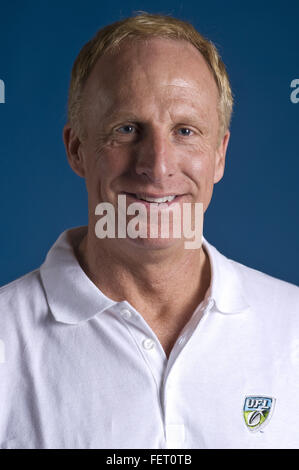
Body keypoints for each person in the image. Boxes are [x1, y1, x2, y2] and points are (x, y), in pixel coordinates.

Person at [0, 12, 298, 450]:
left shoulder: (293, 328)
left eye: (184, 131)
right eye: (127, 129)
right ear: (77, 149)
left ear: (219, 155)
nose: (157, 166)